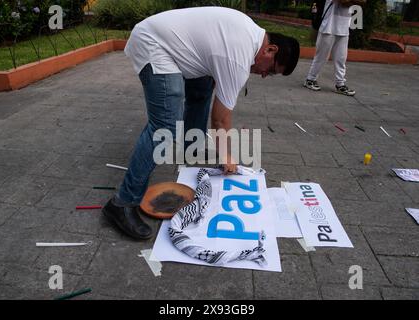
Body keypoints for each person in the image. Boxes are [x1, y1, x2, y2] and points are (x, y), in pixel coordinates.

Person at [102, 6, 300, 240]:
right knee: (165, 125)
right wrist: (227, 155)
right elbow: (220, 118)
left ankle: (190, 149)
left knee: (204, 86)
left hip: (168, 41)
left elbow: (211, 50)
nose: (265, 75)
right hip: (154, 44)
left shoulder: (250, 34)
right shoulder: (239, 58)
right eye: (271, 71)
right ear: (270, 49)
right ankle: (122, 204)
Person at [304, 0, 355, 96]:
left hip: (344, 26)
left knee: (341, 59)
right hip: (328, 26)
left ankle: (340, 84)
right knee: (321, 57)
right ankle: (310, 79)